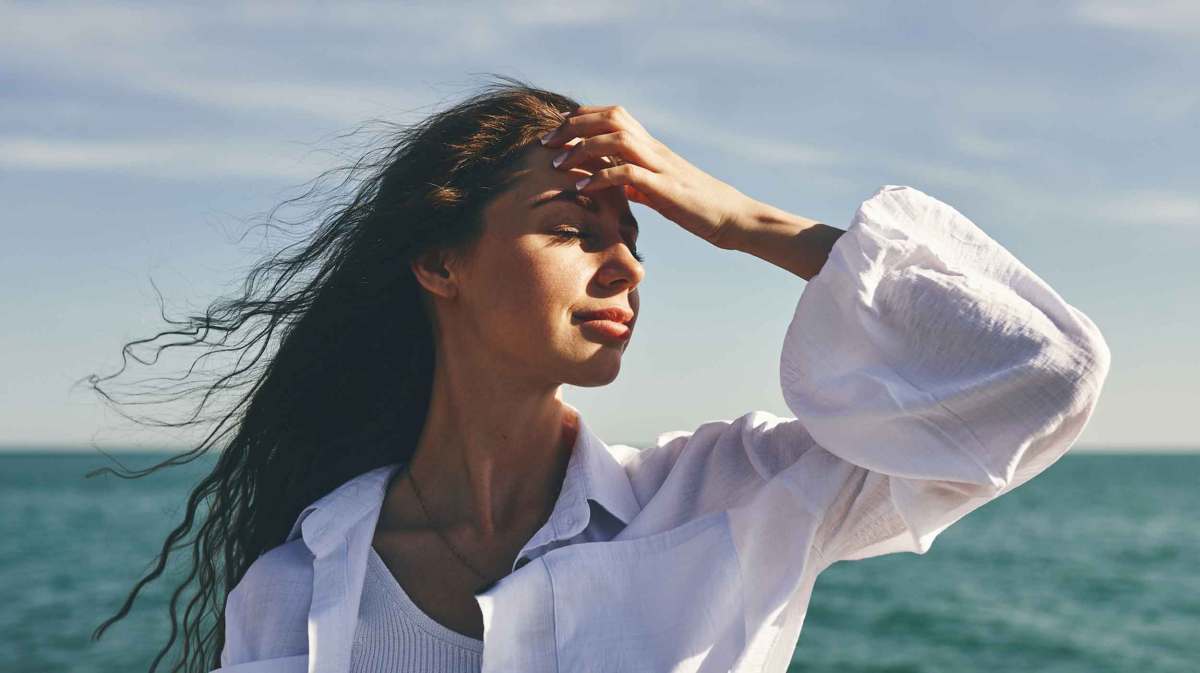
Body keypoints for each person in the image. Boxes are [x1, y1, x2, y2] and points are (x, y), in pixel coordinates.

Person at [89, 77, 1111, 673]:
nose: (626, 262)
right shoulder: (294, 589)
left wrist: (744, 221)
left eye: (640, 234)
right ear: (439, 261)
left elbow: (1042, 371)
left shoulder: (739, 502)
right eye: (574, 232)